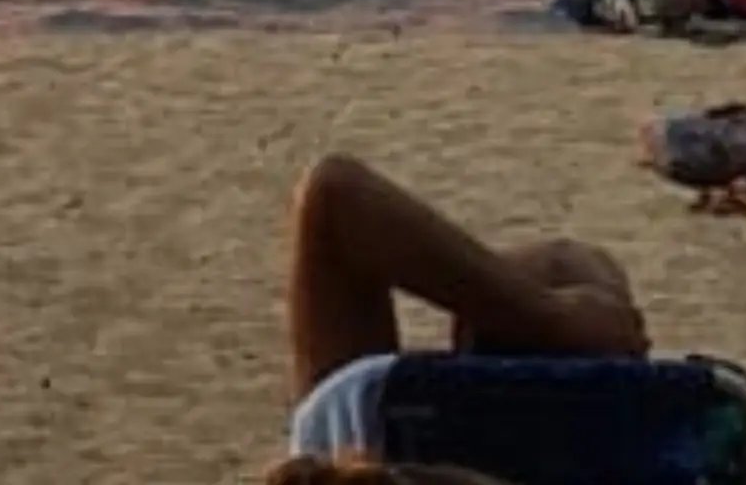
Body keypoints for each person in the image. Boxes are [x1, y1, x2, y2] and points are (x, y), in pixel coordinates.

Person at [267, 152, 657, 480]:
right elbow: (336, 197)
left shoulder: (351, 426)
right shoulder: (353, 430)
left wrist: (552, 317)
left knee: (556, 267)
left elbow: (336, 195)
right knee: (564, 263)